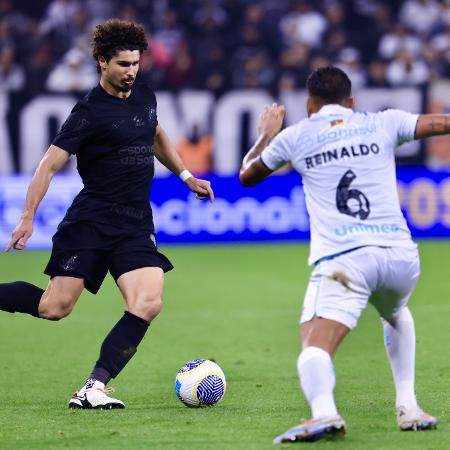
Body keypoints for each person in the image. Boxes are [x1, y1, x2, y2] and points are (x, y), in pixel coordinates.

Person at [0, 19, 214, 410]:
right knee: (54, 308)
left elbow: (154, 133)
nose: (131, 71)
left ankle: (93, 387)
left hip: (135, 224)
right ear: (102, 62)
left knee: (148, 302)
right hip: (91, 221)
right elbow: (48, 165)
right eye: (122, 64)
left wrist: (185, 175)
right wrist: (28, 217)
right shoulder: (87, 112)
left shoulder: (145, 96)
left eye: (135, 63)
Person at [239, 66, 446, 442]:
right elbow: (438, 124)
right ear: (351, 102)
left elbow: (247, 174)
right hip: (401, 257)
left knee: (313, 346)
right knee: (395, 311)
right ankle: (409, 407)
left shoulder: (295, 136)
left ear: (309, 104)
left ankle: (324, 414)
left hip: (346, 260)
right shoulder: (383, 122)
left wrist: (266, 136)